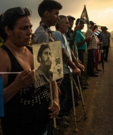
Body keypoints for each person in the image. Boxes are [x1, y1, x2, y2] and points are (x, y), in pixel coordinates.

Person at [0, 7, 59, 135]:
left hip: (45, 125)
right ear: (8, 30)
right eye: (24, 28)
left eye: (30, 27)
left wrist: (56, 100)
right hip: (19, 130)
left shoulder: (35, 50)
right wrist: (16, 85)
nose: (30, 32)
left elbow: (51, 78)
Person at [33, 0, 62, 133]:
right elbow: (44, 68)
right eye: (56, 13)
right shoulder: (42, 34)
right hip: (45, 88)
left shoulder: (48, 32)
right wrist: (52, 87)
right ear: (46, 13)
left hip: (51, 83)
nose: (58, 17)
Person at [53, 15, 83, 118]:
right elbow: (62, 53)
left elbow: (69, 50)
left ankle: (61, 115)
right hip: (63, 71)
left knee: (66, 94)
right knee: (73, 95)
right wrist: (74, 66)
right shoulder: (57, 34)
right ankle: (60, 117)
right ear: (60, 24)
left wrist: (76, 63)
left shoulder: (63, 35)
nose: (69, 24)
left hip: (67, 70)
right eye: (66, 23)